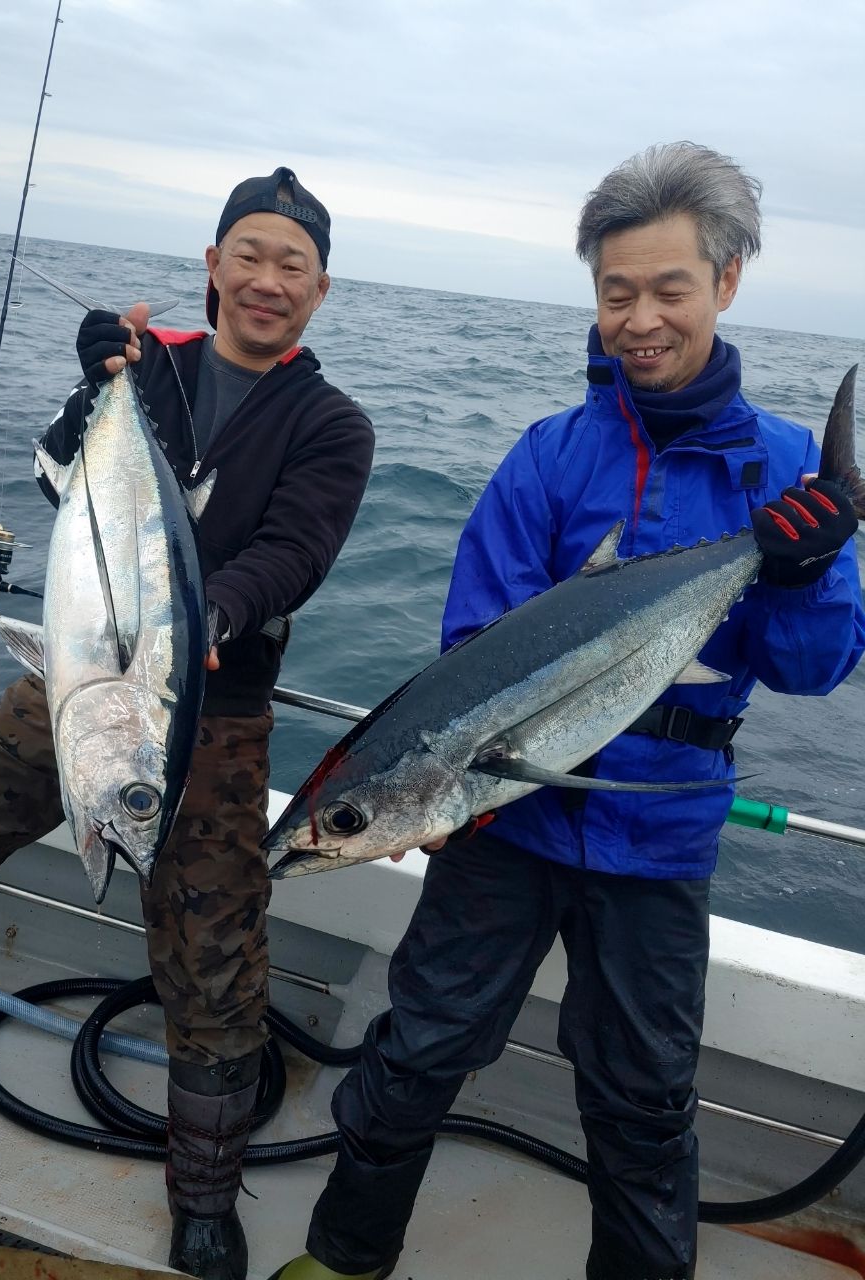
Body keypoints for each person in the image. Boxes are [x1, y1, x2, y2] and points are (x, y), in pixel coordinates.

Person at [268, 143, 865, 1280]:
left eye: (668, 288)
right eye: (616, 291)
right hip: (506, 825)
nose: (639, 318)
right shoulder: (548, 455)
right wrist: (439, 797)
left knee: (643, 1104)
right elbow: (465, 661)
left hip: (664, 830)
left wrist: (796, 571)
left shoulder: (790, 476)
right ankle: (342, 1258)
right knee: (417, 1049)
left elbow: (818, 667)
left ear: (727, 280)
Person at [0, 167, 374, 1280]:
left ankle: (204, 1194)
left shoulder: (332, 424)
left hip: (207, 713)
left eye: (292, 265)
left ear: (320, 290)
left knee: (214, 963)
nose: (267, 280)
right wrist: (93, 387)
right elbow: (63, 480)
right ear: (212, 266)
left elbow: (295, 553)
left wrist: (212, 607)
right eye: (248, 255)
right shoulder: (143, 369)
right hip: (66, 685)